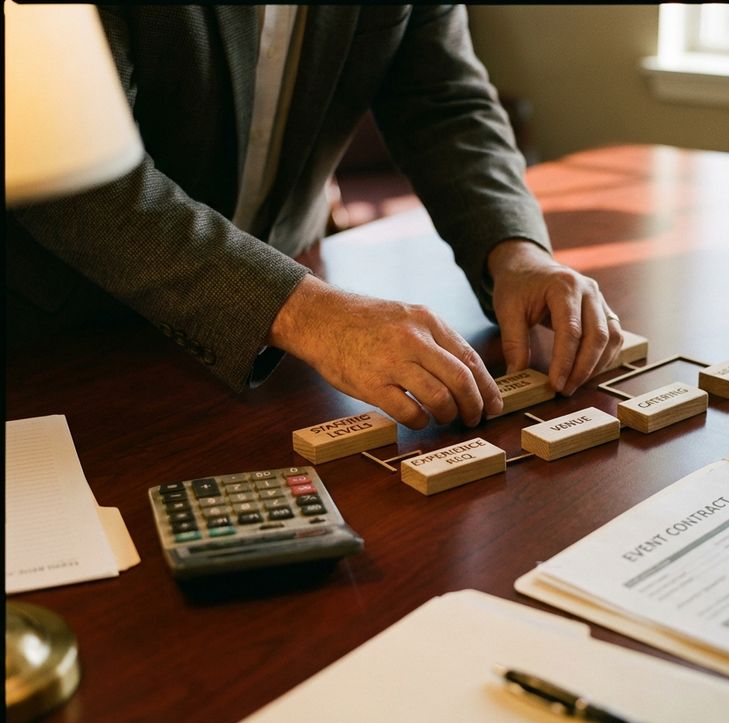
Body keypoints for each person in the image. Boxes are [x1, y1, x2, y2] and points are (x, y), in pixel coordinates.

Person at [6, 5, 622, 429]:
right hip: (62, 340)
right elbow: (76, 183)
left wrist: (515, 251)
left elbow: (443, 100)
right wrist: (307, 310)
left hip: (277, 344)